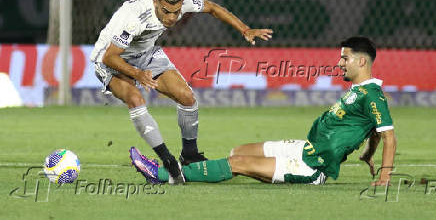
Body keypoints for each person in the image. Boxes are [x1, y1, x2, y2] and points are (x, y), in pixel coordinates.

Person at [130, 36, 396, 186]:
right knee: (238, 151)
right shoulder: (360, 92)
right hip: (305, 148)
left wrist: (384, 175)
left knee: (236, 164)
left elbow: (388, 136)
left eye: (345, 58)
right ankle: (207, 169)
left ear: (362, 61)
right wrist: (367, 154)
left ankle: (166, 174)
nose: (339, 63)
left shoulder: (372, 94)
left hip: (312, 166)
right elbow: (374, 128)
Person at [90, 0, 273, 184]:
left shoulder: (183, 2)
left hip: (145, 54)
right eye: (166, 11)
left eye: (176, 12)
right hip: (111, 60)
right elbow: (110, 57)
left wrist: (244, 29)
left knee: (187, 97)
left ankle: (190, 156)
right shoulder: (134, 17)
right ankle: (168, 161)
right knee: (135, 97)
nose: (172, 18)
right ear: (156, 2)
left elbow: (212, 8)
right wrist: (137, 74)